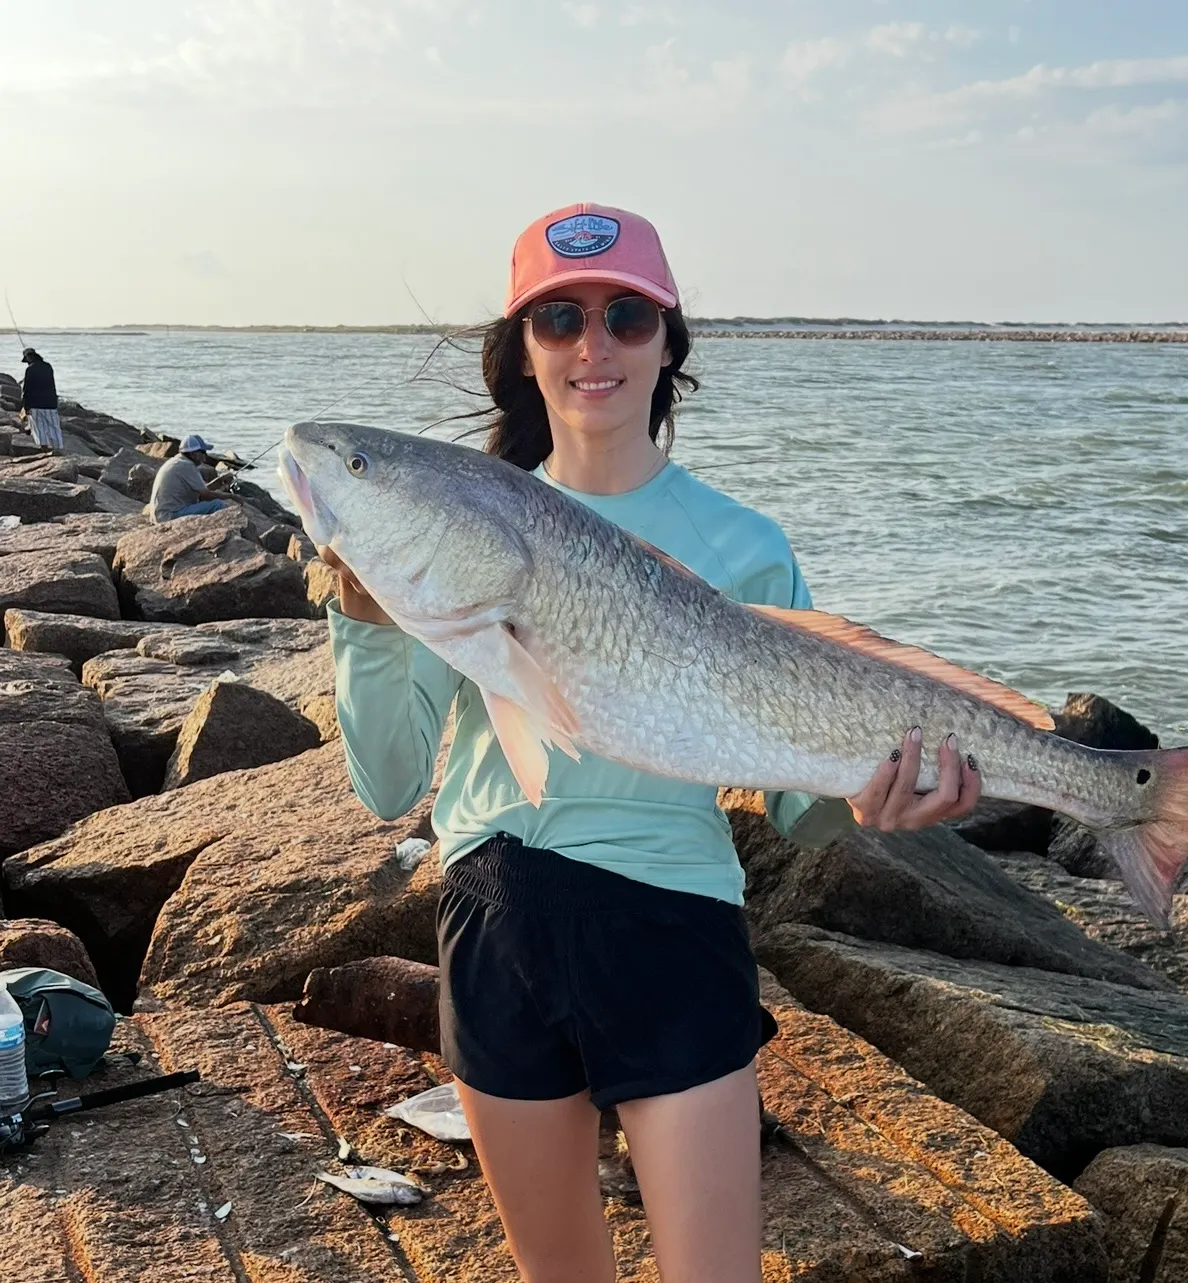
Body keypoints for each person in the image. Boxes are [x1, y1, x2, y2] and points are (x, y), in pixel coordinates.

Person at [321, 203, 981, 1283]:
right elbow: (388, 779)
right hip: (492, 922)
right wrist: (359, 618)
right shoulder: (451, 519)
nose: (593, 345)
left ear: (668, 341)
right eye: (559, 319)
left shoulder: (743, 545)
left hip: (673, 926)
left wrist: (872, 801)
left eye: (626, 316)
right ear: (520, 350)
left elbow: (797, 808)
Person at [148, 434, 239, 523]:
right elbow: (206, 495)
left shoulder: (177, 461)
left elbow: (201, 491)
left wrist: (219, 481)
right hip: (169, 515)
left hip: (161, 514)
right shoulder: (187, 465)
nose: (205, 457)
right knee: (218, 505)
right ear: (193, 454)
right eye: (203, 453)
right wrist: (231, 496)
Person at [18, 348, 63, 453]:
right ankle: (58, 448)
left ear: (29, 357)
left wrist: (25, 405)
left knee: (38, 427)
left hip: (35, 404)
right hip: (50, 402)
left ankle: (44, 448)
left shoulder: (30, 369)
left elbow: (27, 389)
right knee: (54, 426)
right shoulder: (48, 366)